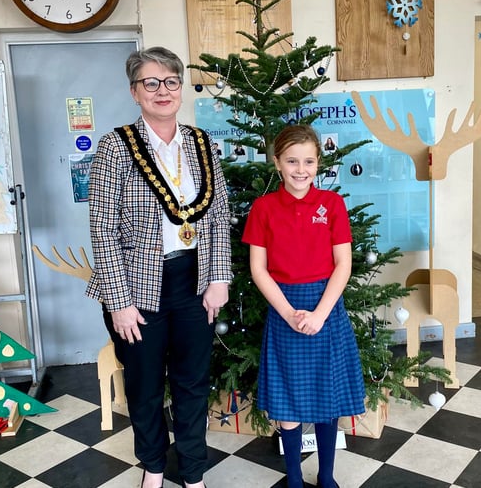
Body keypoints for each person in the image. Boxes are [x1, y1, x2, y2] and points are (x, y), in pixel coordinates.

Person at [86, 46, 233, 488]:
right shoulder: (115, 146)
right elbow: (102, 229)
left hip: (195, 280)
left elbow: (219, 215)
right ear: (135, 92)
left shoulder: (201, 143)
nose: (162, 90)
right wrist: (119, 303)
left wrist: (219, 278)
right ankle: (153, 467)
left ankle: (192, 472)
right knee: (145, 386)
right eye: (150, 83)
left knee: (192, 383)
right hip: (136, 287)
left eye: (170, 81)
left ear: (180, 88)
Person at [242, 124, 365, 488]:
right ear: (277, 162)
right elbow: (258, 269)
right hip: (285, 309)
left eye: (308, 161)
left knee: (328, 397)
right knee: (288, 399)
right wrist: (288, 314)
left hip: (326, 308)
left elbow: (343, 264)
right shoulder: (263, 208)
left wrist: (320, 314)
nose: (301, 169)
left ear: (318, 163)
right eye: (292, 161)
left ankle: (326, 476)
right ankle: (294, 478)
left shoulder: (333, 205)